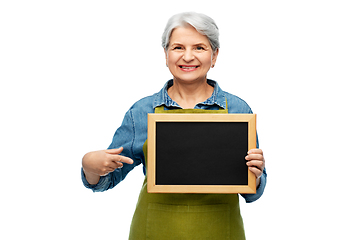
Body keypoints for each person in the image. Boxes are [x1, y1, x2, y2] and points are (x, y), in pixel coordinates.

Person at [81, 12, 267, 240]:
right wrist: (90, 167)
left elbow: (253, 192)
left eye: (199, 48)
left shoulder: (238, 110)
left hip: (220, 231)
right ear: (166, 54)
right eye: (178, 47)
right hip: (154, 230)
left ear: (215, 55)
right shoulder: (141, 111)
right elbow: (106, 180)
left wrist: (255, 175)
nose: (188, 57)